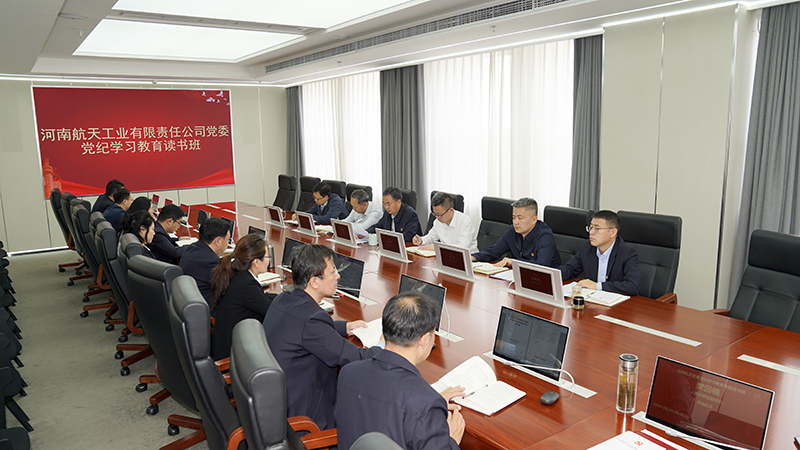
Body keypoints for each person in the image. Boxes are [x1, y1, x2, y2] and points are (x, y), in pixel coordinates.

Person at [262, 244, 382, 430]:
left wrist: (345, 327)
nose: (338, 276)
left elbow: (305, 328)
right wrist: (383, 345)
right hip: (306, 418)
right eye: (333, 271)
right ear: (314, 282)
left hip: (278, 400)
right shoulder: (312, 320)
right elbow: (354, 358)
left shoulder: (284, 299)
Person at [336, 292, 466, 450]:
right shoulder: (424, 402)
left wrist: (431, 406)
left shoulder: (348, 373)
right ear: (424, 339)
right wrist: (451, 441)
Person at [210, 234, 277, 360]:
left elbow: (260, 299)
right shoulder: (247, 286)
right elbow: (273, 312)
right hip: (234, 356)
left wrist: (279, 297)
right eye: (267, 257)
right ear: (256, 262)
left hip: (225, 344)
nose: (269, 260)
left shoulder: (235, 274)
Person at [560, 210, 640, 296]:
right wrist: (551, 275)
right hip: (593, 298)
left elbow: (632, 286)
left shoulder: (627, 252)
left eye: (597, 229)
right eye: (591, 227)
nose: (591, 232)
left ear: (613, 232)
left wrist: (597, 286)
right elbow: (570, 269)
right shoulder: (587, 247)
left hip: (617, 301)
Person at [471, 197, 560, 268]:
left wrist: (514, 262)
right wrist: (472, 257)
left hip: (546, 281)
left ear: (534, 220)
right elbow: (494, 251)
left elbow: (541, 265)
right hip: (519, 276)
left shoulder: (545, 235)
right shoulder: (513, 231)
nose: (515, 222)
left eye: (520, 218)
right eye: (514, 217)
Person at [179, 217, 230, 306]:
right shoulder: (212, 262)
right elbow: (226, 289)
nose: (227, 244)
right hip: (206, 306)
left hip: (185, 301)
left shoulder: (190, 248)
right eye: (227, 240)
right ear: (218, 241)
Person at [412, 192, 478, 253]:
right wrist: (421, 240)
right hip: (446, 256)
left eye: (439, 215)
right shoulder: (438, 222)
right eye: (435, 214)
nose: (437, 217)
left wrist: (437, 247)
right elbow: (431, 237)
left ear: (451, 210)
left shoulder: (465, 222)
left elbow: (462, 248)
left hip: (469, 258)